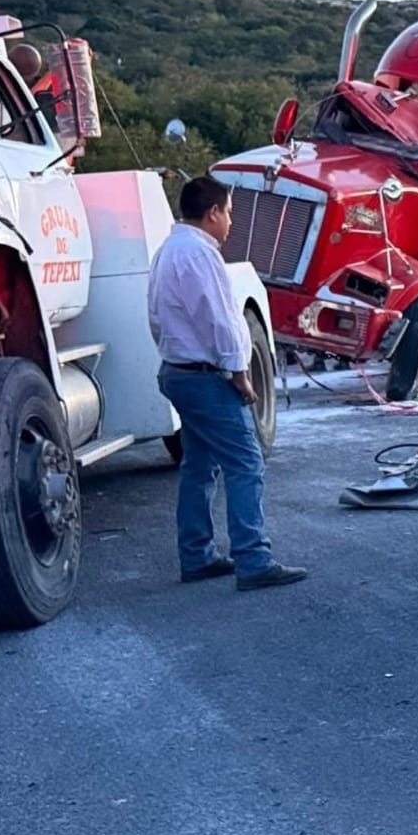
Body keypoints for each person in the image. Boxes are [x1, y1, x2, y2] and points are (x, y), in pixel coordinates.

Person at [148, 176, 307, 591]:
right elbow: (219, 321)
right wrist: (239, 374)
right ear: (213, 212)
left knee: (199, 465)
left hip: (177, 372)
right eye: (230, 213)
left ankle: (197, 555)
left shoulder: (168, 250)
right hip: (205, 376)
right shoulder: (200, 254)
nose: (232, 223)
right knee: (246, 463)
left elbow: (158, 318)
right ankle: (253, 559)